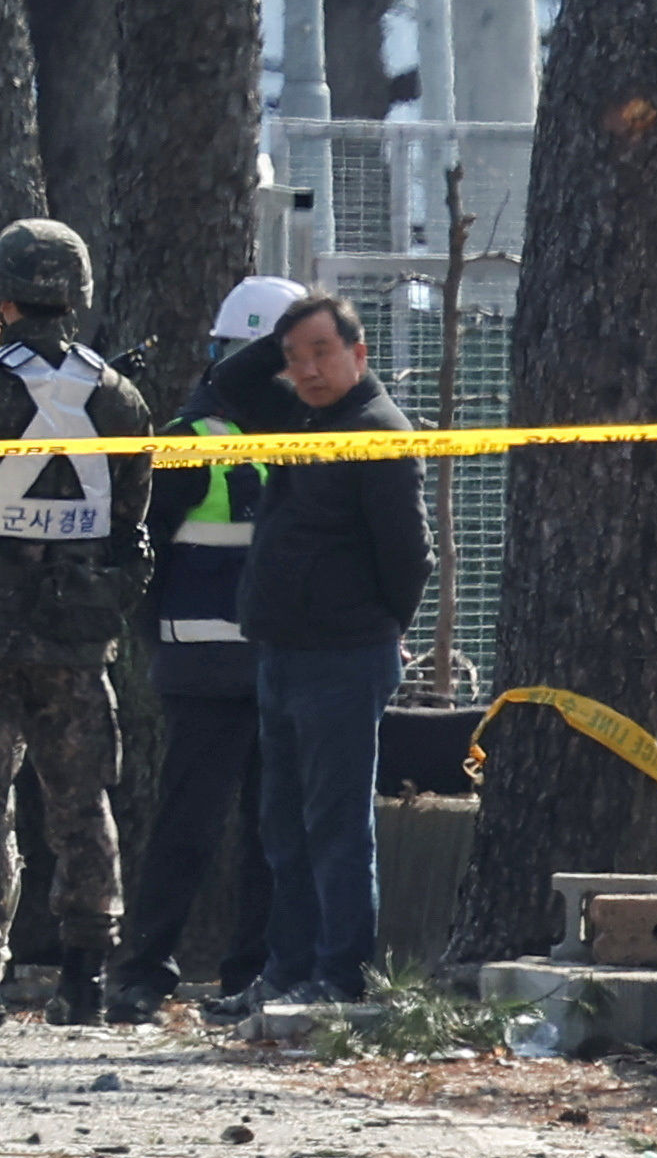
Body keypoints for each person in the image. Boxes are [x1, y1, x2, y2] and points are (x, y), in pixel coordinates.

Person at [116, 272, 304, 1020]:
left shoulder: (294, 435)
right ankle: (148, 970)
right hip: (210, 667)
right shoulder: (191, 442)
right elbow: (144, 553)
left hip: (250, 664)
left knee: (257, 830)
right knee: (197, 827)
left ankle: (234, 972)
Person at [232, 288, 422, 1009]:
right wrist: (279, 330)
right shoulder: (301, 417)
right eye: (294, 357)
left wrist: (378, 629)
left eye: (321, 351)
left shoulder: (376, 429)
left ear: (359, 353)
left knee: (336, 828)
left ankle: (338, 978)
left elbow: (410, 556)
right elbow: (231, 385)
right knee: (282, 827)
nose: (306, 368)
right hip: (282, 652)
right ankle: (286, 970)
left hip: (344, 658)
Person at [0, 219, 151, 1021]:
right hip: (77, 636)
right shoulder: (118, 397)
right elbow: (132, 521)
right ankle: (84, 981)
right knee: (80, 803)